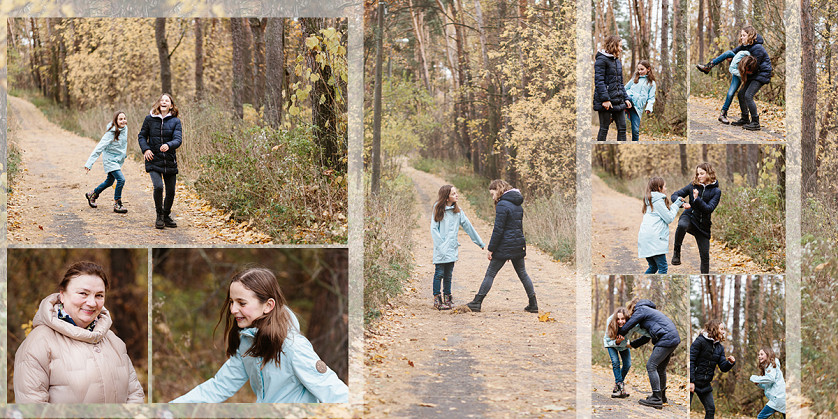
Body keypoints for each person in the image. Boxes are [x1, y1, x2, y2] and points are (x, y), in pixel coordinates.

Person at [170, 268, 348, 403]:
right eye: (231, 302)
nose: (233, 310)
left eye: (242, 303)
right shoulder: (247, 344)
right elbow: (219, 386)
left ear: (268, 305)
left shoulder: (293, 346)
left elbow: (334, 391)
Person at [13, 261, 145, 403]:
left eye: (99, 295)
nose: (92, 303)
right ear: (62, 295)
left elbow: (135, 396)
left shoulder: (114, 341)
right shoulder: (39, 343)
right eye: (83, 293)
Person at [466, 180, 538, 313]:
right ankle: (533, 304)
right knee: (523, 273)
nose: (492, 197)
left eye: (492, 194)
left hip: (505, 245)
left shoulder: (502, 205)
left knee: (490, 273)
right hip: (517, 244)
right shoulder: (517, 204)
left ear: (498, 190)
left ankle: (477, 302)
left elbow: (498, 230)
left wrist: (491, 249)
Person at [696, 26, 772, 131]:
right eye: (741, 35)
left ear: (750, 36)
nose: (742, 37)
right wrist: (731, 58)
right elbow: (732, 52)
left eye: (744, 35)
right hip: (753, 74)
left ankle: (755, 122)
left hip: (761, 74)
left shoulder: (757, 48)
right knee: (741, 94)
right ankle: (745, 119)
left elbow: (754, 67)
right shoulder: (745, 46)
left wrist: (740, 67)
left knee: (748, 95)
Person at [617, 298, 681, 409]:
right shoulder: (650, 312)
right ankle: (661, 396)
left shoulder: (641, 309)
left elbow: (629, 325)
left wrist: (617, 334)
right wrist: (632, 344)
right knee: (660, 368)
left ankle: (656, 398)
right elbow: (646, 338)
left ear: (633, 307)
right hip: (673, 338)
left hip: (666, 338)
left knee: (651, 366)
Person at [430, 185, 485, 310]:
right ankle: (437, 300)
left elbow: (468, 227)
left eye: (456, 193)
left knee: (449, 274)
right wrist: (441, 245)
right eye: (453, 193)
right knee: (439, 273)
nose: (456, 195)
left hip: (452, 248)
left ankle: (448, 298)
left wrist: (479, 242)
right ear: (446, 197)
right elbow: (434, 229)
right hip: (441, 249)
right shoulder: (438, 209)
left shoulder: (458, 212)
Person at [138, 93, 182, 229]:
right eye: (162, 100)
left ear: (171, 105)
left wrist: (169, 145)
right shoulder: (149, 119)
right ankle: (159, 216)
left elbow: (178, 139)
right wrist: (146, 149)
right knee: (158, 187)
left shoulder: (175, 121)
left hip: (169, 160)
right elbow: (141, 136)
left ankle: (166, 214)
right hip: (153, 159)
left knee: (171, 191)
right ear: (159, 104)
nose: (164, 102)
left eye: (167, 100)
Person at [670, 163, 721, 274]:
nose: (699, 176)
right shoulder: (692, 185)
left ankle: (705, 276)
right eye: (698, 174)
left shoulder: (716, 191)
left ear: (709, 173)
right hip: (689, 216)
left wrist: (697, 199)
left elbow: (709, 209)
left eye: (702, 174)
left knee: (705, 257)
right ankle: (676, 253)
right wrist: (682, 204)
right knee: (682, 225)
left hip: (703, 225)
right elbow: (674, 195)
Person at [84, 110, 129, 213]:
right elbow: (99, 148)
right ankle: (117, 203)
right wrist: (89, 163)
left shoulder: (125, 128)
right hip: (110, 160)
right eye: (120, 119)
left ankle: (92, 194)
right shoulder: (111, 133)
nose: (123, 121)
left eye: (124, 119)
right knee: (121, 179)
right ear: (115, 121)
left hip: (117, 160)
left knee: (109, 181)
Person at [689, 319, 736, 419]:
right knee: (686, 409)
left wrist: (730, 363)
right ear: (714, 329)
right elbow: (691, 360)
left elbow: (723, 367)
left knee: (711, 410)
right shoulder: (700, 341)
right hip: (693, 381)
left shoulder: (720, 348)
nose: (723, 332)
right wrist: (691, 381)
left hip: (705, 384)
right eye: (722, 329)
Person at [638, 176, 684, 274]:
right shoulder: (658, 201)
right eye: (665, 186)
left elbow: (664, 213)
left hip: (646, 239)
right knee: (663, 268)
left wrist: (676, 204)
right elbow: (669, 218)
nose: (666, 189)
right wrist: (677, 204)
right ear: (659, 188)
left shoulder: (650, 200)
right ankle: (660, 288)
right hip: (654, 240)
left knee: (653, 267)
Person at [603, 307, 650, 398]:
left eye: (623, 319)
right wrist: (616, 342)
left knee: (627, 364)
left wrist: (656, 333)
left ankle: (618, 385)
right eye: (618, 319)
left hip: (623, 345)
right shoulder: (610, 322)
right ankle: (620, 387)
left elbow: (643, 332)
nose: (620, 322)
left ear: (627, 319)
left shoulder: (631, 324)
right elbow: (608, 340)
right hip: (611, 344)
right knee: (615, 362)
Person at [594, 35, 633, 141]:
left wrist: (626, 98)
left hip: (618, 100)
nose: (621, 49)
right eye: (620, 46)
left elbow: (620, 83)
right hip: (606, 102)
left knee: (622, 128)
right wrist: (605, 99)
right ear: (613, 45)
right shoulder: (601, 60)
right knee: (604, 129)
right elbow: (599, 82)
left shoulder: (617, 61)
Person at [624, 60, 657, 141]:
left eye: (642, 69)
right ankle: (612, 115)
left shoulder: (652, 83)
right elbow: (625, 88)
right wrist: (625, 98)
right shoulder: (635, 78)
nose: (640, 71)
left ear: (648, 69)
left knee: (635, 130)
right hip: (628, 100)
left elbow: (651, 98)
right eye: (638, 69)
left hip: (637, 108)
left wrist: (649, 108)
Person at [750, 347, 786, 419]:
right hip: (781, 398)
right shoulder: (770, 366)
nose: (759, 356)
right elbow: (770, 385)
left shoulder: (772, 365)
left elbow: (771, 379)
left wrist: (755, 378)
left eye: (761, 354)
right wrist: (759, 384)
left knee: (761, 417)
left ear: (768, 355)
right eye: (758, 355)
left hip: (777, 398)